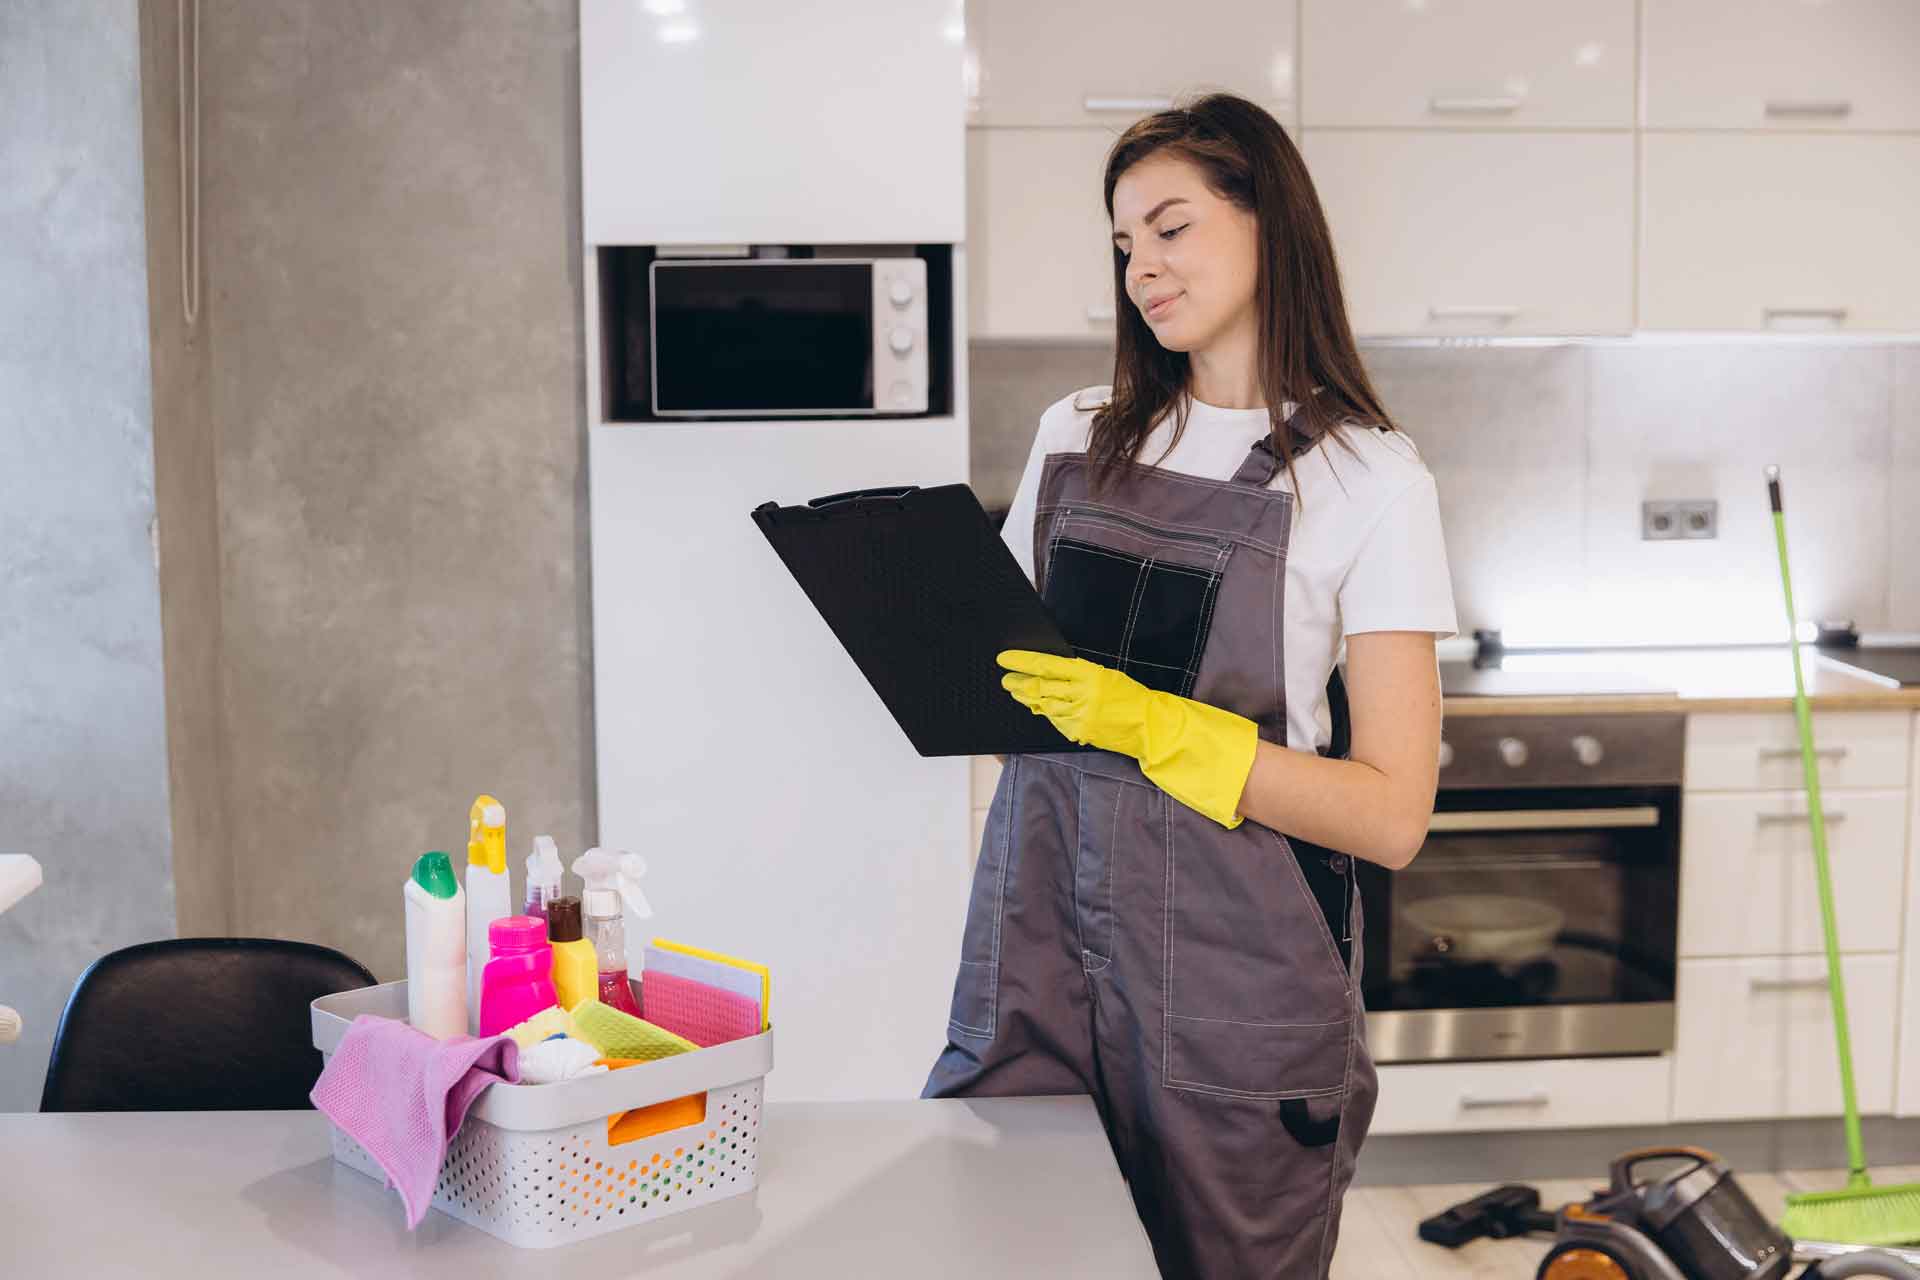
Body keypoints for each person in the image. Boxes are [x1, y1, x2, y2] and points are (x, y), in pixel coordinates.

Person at [923, 94, 1458, 1277]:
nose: (1142, 269)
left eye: (1171, 228)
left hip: (1234, 992)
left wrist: (1156, 727)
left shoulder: (1371, 481)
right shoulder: (1074, 437)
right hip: (1041, 950)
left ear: (1272, 224)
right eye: (1124, 244)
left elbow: (1392, 813)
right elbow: (1005, 698)